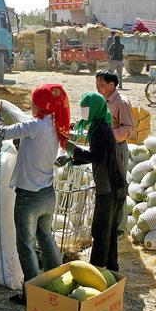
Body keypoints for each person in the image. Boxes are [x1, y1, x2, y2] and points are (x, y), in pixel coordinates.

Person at [0, 84, 70, 302]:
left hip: (29, 197)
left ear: (41, 105)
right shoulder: (55, 123)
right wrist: (5, 105)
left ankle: (31, 295)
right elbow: (21, 118)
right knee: (46, 236)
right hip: (47, 194)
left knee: (26, 244)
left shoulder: (34, 125)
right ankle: (58, 283)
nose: (31, 105)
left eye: (34, 102)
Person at [60, 92, 126, 271]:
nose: (83, 112)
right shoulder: (101, 125)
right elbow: (97, 156)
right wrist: (73, 159)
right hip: (117, 184)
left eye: (85, 108)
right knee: (110, 230)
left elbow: (97, 156)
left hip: (109, 187)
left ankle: (97, 268)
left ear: (94, 108)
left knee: (101, 230)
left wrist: (74, 150)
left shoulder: (99, 130)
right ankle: (111, 267)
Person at [95, 69, 134, 237]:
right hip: (103, 150)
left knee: (118, 189)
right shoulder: (101, 101)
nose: (97, 87)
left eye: (101, 84)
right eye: (96, 84)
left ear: (112, 84)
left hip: (117, 150)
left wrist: (109, 137)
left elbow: (128, 129)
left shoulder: (122, 102)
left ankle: (119, 227)